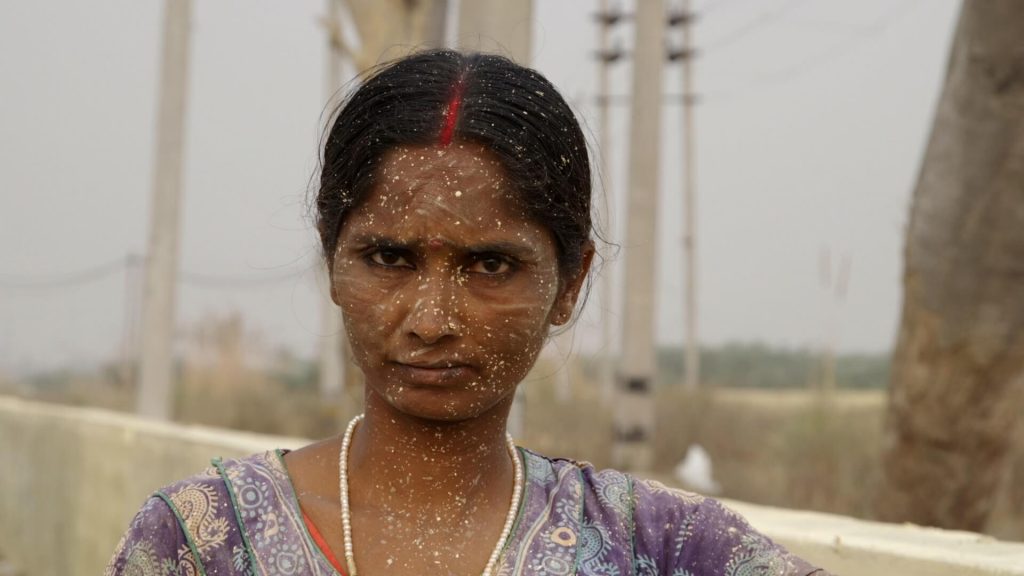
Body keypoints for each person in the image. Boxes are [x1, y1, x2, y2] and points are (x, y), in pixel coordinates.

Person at [106, 49, 830, 576]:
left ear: (569, 283)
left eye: (489, 265)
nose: (430, 318)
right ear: (333, 263)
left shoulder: (664, 550)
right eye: (390, 258)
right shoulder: (201, 544)